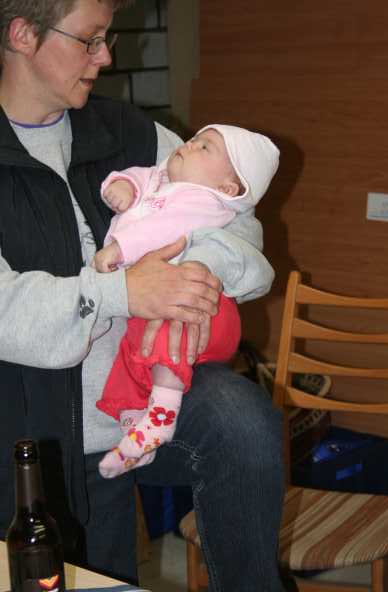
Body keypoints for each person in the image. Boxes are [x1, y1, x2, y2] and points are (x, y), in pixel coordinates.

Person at [0, 1, 285, 591]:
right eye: (89, 39)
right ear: (23, 35)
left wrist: (201, 265)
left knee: (243, 422)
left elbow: (236, 213)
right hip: (38, 435)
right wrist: (122, 292)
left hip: (150, 390)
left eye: (106, 38)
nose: (105, 57)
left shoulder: (130, 131)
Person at [93, 123, 280, 478]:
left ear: (228, 188)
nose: (190, 145)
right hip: (158, 303)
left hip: (204, 309)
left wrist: (119, 250)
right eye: (195, 139)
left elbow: (166, 230)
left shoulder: (207, 202)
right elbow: (138, 177)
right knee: (130, 354)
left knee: (166, 338)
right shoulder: (162, 179)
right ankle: (135, 430)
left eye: (204, 148)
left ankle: (162, 412)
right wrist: (122, 185)